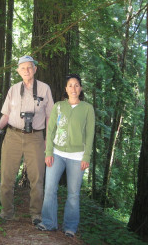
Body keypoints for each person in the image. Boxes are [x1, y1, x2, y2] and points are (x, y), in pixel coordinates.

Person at [0, 55, 54, 225]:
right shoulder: (13, 89)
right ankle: (6, 212)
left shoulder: (44, 89)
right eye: (23, 68)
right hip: (12, 135)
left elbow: (50, 117)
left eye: (29, 67)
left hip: (36, 137)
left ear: (35, 69)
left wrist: (48, 140)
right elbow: (6, 114)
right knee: (6, 176)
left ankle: (36, 214)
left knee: (37, 178)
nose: (26, 70)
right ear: (18, 71)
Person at [36, 73, 95, 237]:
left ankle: (70, 227)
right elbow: (51, 129)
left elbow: (90, 134)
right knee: (49, 189)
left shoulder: (87, 108)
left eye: (76, 85)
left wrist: (86, 157)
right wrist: (48, 152)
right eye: (70, 85)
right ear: (66, 89)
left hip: (77, 157)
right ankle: (48, 223)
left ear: (81, 88)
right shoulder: (58, 106)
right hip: (57, 153)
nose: (73, 88)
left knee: (73, 194)